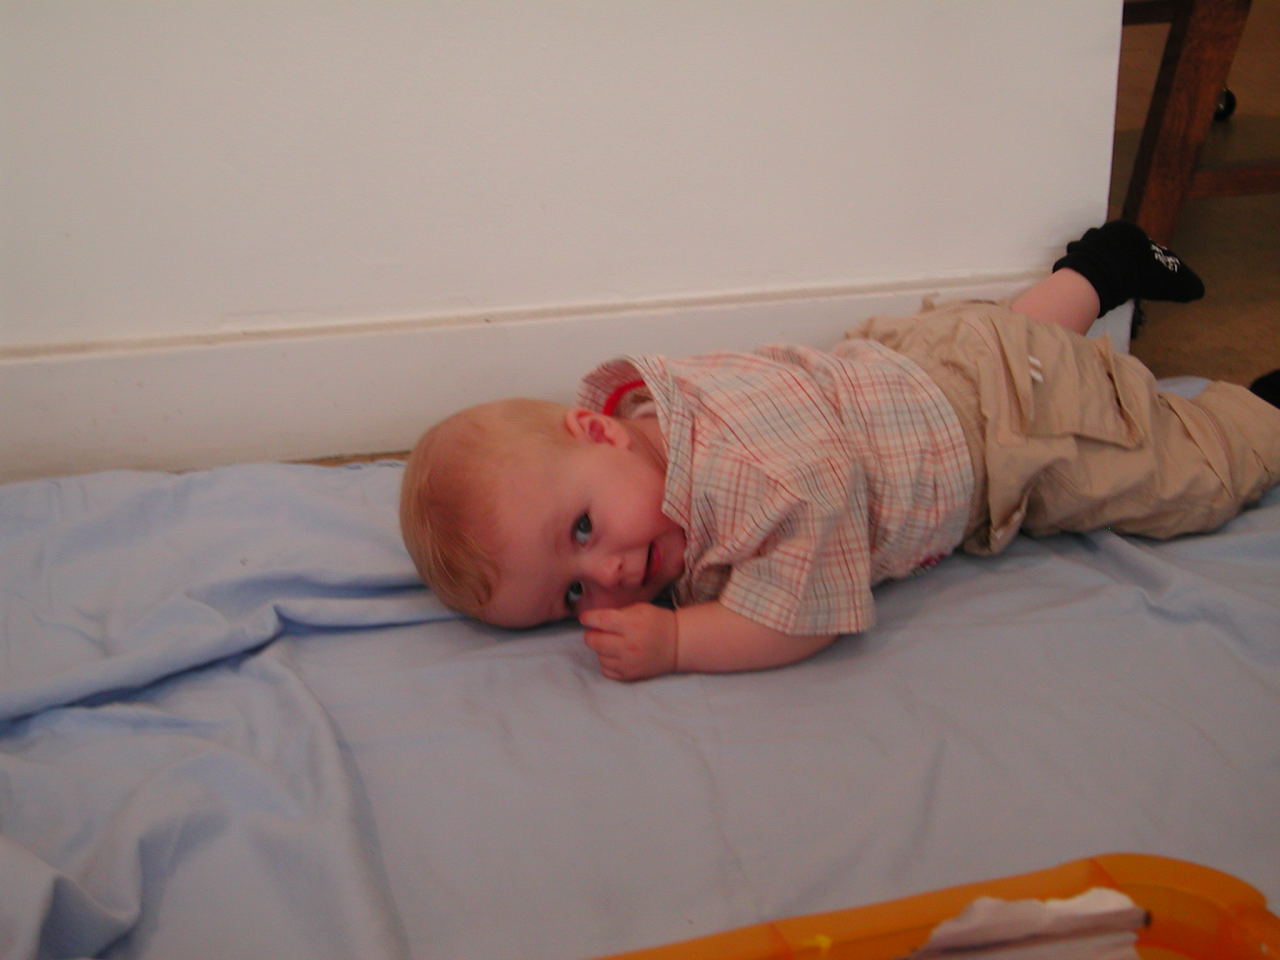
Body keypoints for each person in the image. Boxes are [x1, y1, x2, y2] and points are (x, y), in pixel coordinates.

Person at [400, 222, 1280, 682]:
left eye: (584, 530)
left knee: (1189, 478)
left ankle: (1266, 412)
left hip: (1008, 434)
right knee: (1018, 336)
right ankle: (1102, 266)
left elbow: (801, 618)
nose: (614, 574)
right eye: (573, 596)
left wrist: (677, 642)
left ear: (596, 433)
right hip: (933, 356)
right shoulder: (654, 412)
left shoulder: (760, 487)